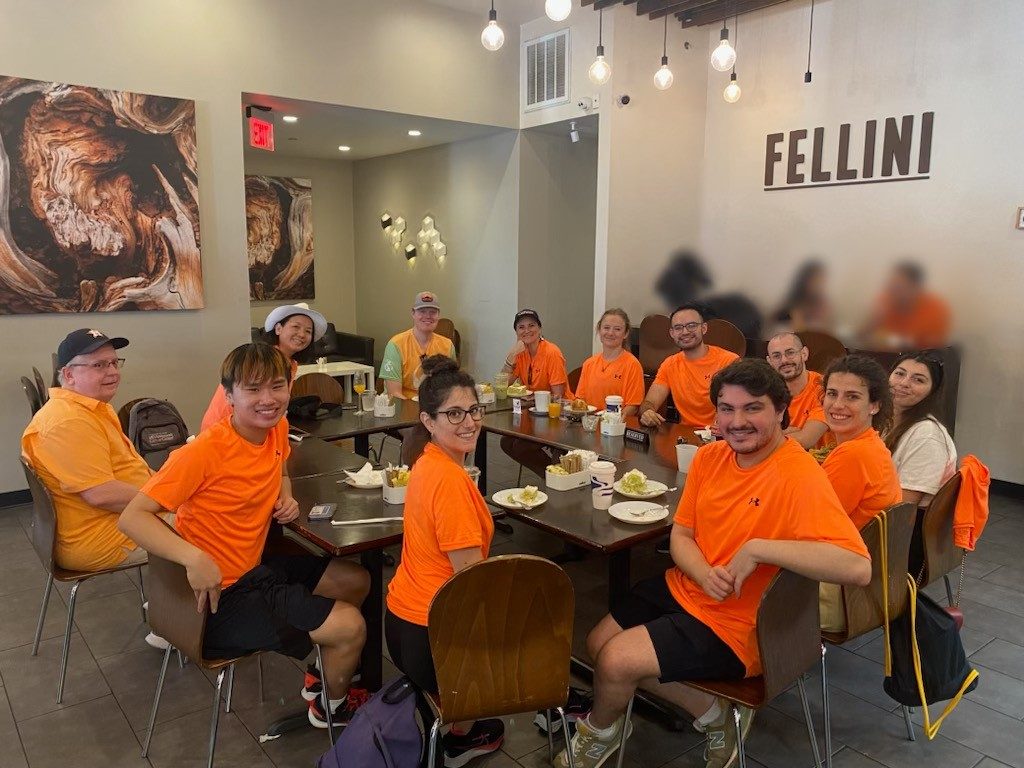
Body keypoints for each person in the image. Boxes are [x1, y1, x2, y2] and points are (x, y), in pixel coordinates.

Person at [555, 359, 871, 768]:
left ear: (780, 411)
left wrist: (760, 548)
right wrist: (703, 574)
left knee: (616, 661)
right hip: (691, 587)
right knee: (598, 644)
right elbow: (682, 536)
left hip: (741, 620)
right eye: (727, 409)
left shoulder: (798, 473)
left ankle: (600, 731)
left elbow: (857, 566)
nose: (737, 422)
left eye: (752, 408)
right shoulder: (709, 457)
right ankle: (713, 715)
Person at [119, 343, 370, 729]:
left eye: (277, 386)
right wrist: (193, 557)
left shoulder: (276, 428)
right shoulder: (203, 452)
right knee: (350, 625)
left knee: (355, 579)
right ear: (229, 395)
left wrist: (285, 495)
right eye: (253, 389)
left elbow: (280, 467)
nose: (268, 400)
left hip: (254, 571)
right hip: (217, 600)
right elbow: (132, 517)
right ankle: (332, 710)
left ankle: (322, 678)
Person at [385, 355, 504, 766]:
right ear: (428, 421)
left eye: (474, 410)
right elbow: (468, 581)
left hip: (402, 626)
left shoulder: (426, 462)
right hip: (434, 640)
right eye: (454, 413)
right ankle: (458, 736)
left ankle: (447, 716)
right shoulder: (451, 482)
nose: (469, 422)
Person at [22, 329, 150, 572]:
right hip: (104, 536)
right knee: (215, 524)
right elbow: (102, 495)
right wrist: (168, 498)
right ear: (69, 375)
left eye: (114, 363)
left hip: (122, 517)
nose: (112, 372)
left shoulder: (92, 408)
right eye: (99, 365)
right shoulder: (68, 422)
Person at [200, 302, 327, 430]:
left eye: (308, 331)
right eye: (296, 327)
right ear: (278, 329)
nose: (302, 334)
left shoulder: (290, 363)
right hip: (224, 428)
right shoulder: (262, 359)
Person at [820, 355, 902, 531]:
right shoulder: (872, 444)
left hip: (842, 546)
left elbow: (813, 520)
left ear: (875, 406)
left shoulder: (853, 454)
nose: (838, 404)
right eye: (832, 394)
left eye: (852, 397)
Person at [639, 304, 738, 428]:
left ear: (704, 328)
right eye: (678, 328)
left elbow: (741, 406)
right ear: (672, 333)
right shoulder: (669, 364)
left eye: (691, 325)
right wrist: (647, 412)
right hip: (685, 435)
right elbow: (649, 402)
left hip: (722, 434)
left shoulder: (729, 361)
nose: (685, 332)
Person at [884, 351, 957, 507]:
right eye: (899, 373)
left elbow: (903, 508)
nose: (904, 383)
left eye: (918, 380)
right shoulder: (884, 420)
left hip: (897, 519)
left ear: (932, 390)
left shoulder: (928, 436)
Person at [380, 291, 456, 400]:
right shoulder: (396, 345)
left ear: (438, 315)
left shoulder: (447, 346)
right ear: (413, 313)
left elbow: (451, 387)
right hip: (403, 405)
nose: (428, 316)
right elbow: (394, 394)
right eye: (422, 311)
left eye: (433, 312)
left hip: (436, 406)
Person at [862, 262, 950, 349]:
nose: (892, 291)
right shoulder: (884, 300)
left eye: (899, 286)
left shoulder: (935, 309)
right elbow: (862, 338)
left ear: (916, 288)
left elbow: (931, 349)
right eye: (891, 285)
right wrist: (873, 322)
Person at [574, 309, 645, 416]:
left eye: (617, 329)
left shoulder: (632, 365)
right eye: (606, 328)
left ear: (625, 333)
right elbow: (580, 400)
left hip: (616, 424)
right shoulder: (589, 363)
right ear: (599, 330)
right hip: (589, 422)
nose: (610, 333)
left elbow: (633, 406)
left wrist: (611, 421)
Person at [765, 332, 829, 449]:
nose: (784, 360)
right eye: (776, 356)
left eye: (790, 353)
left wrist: (771, 436)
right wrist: (795, 433)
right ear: (770, 362)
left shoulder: (824, 388)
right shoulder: (765, 391)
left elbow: (806, 440)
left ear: (804, 354)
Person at [501, 308, 570, 399]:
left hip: (558, 406)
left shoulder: (552, 352)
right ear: (516, 332)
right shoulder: (519, 353)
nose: (527, 330)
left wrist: (531, 399)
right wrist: (510, 358)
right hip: (531, 405)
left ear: (539, 328)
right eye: (521, 327)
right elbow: (502, 387)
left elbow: (558, 396)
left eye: (531, 325)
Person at [772, 260, 832, 331]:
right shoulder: (792, 306)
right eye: (815, 280)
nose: (818, 285)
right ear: (805, 280)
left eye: (821, 280)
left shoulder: (823, 304)